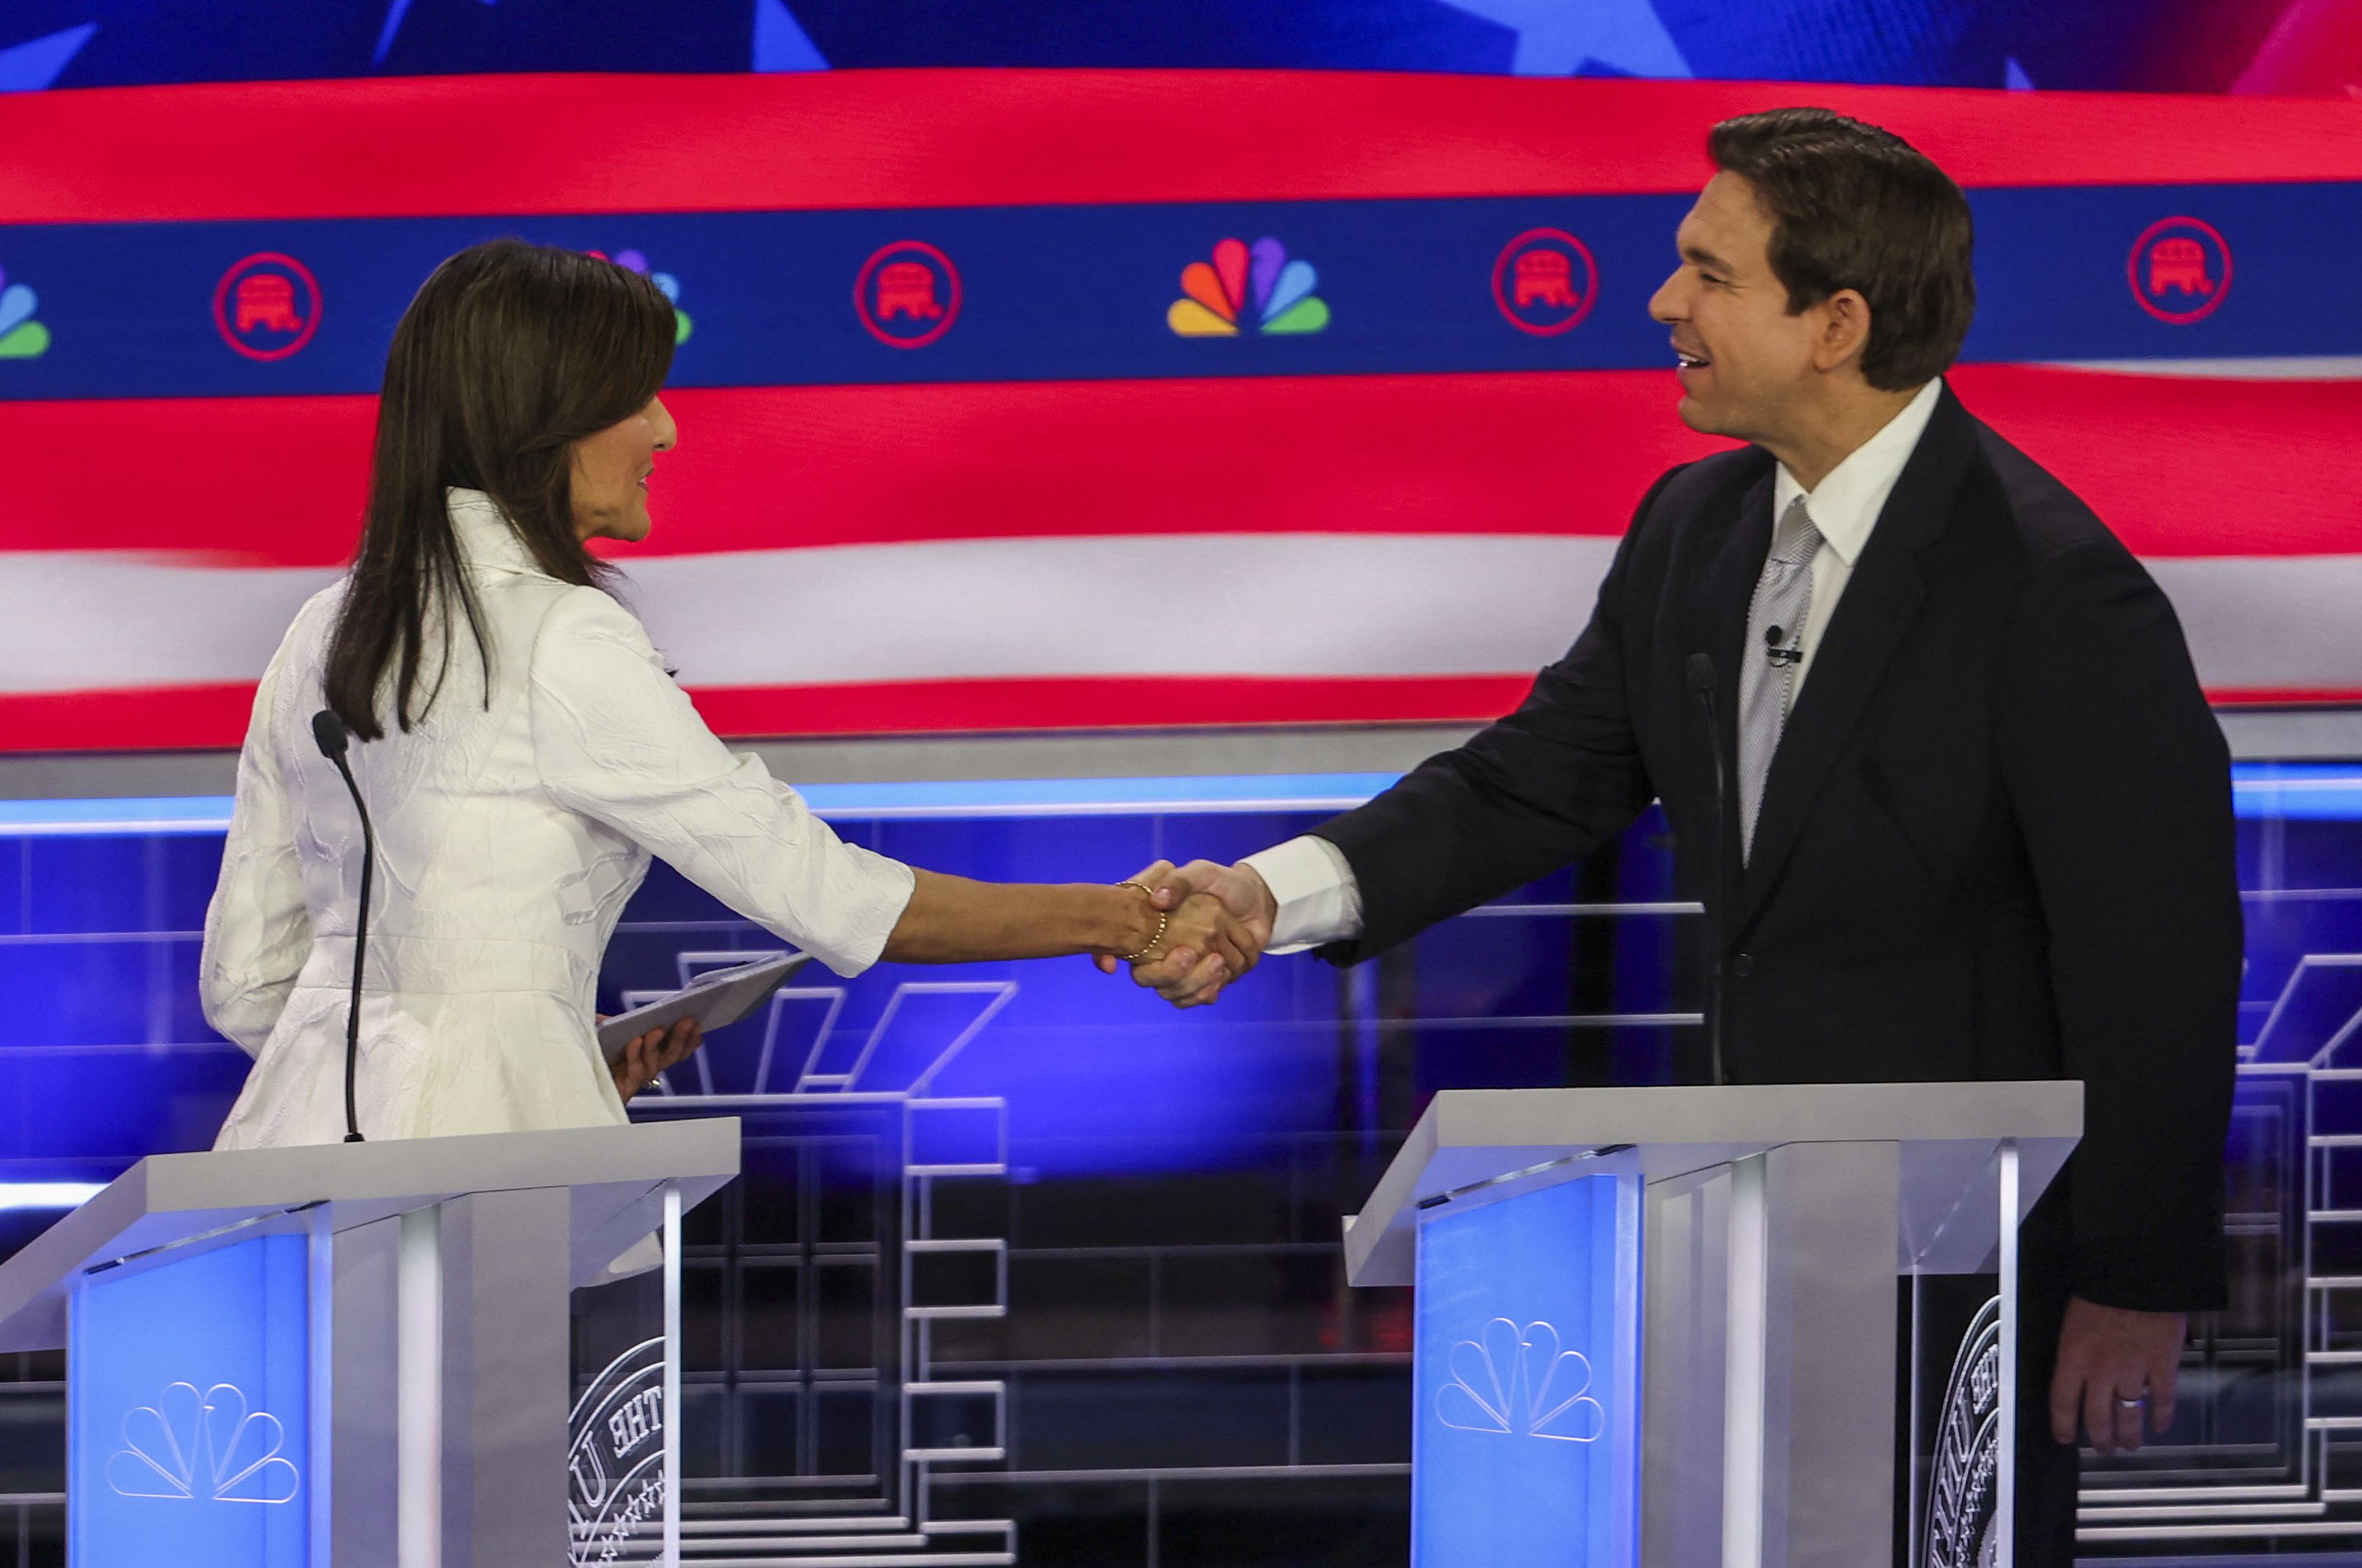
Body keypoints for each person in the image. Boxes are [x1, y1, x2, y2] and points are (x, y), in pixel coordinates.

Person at [1112, 109, 2240, 1561]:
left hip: (1971, 1271)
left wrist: (2133, 1276)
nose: (1663, 302)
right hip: (1749, 1238)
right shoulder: (1692, 528)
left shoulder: (2048, 587)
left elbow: (2154, 952)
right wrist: (1277, 892)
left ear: (1834, 324)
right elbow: (1535, 779)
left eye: (1708, 272)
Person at [201, 238, 1248, 1150]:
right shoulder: (562, 636)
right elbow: (829, 897)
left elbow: (245, 983)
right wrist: (1127, 919)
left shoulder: (317, 631)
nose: (664, 431)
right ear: (545, 419)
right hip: (486, 1189)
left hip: (280, 1159)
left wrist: (532, 1055)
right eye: (634, 400)